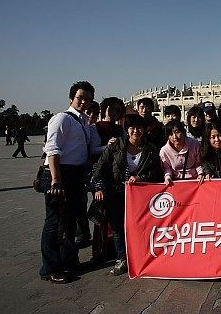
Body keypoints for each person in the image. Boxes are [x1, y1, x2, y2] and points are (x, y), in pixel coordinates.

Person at [39, 81, 101, 284]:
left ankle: (68, 260)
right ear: (71, 98)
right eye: (80, 97)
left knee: (70, 221)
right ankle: (50, 268)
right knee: (55, 222)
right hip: (60, 174)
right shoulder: (62, 119)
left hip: (75, 175)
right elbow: (52, 150)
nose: (84, 102)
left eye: (88, 99)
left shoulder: (83, 121)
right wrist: (56, 180)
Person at [91, 114, 163, 276]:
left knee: (141, 226)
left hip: (140, 196)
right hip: (116, 192)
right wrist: (99, 188)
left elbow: (156, 172)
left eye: (139, 128)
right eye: (132, 128)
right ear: (126, 130)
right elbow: (99, 167)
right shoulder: (116, 145)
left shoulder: (150, 149)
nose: (136, 131)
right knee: (118, 227)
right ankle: (122, 258)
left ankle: (141, 256)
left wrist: (141, 177)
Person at [91, 96, 126, 263]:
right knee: (102, 215)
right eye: (111, 108)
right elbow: (92, 150)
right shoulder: (96, 128)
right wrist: (108, 146)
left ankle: (114, 249)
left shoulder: (120, 129)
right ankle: (99, 251)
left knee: (117, 216)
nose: (114, 112)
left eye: (118, 110)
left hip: (117, 178)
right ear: (104, 109)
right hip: (102, 175)